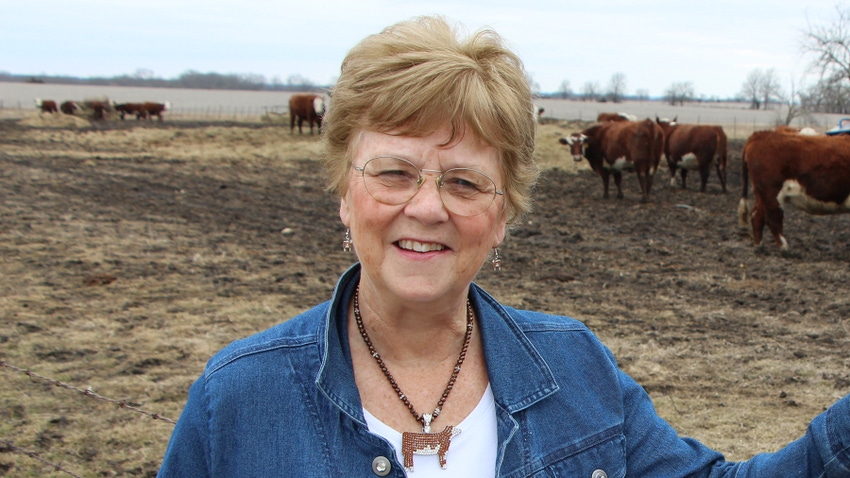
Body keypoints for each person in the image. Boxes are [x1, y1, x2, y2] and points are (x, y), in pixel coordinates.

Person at [157, 15, 850, 477]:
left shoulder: (575, 367)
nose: (426, 207)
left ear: (505, 209)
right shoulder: (238, 402)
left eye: (464, 182)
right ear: (344, 190)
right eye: (394, 172)